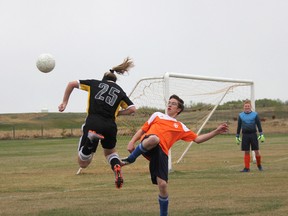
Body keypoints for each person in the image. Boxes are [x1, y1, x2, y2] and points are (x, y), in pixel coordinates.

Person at [121, 94, 228, 216]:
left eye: (173, 103)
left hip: (161, 153)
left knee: (163, 185)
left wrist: (216, 131)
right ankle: (131, 158)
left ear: (178, 110)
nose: (170, 105)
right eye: (169, 102)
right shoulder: (157, 115)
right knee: (155, 139)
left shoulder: (180, 126)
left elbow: (197, 139)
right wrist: (131, 142)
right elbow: (142, 130)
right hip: (149, 142)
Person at [58, 57, 136, 189]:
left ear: (103, 79)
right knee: (110, 153)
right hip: (110, 125)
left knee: (83, 163)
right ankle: (116, 165)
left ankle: (90, 142)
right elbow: (132, 109)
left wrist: (64, 102)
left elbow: (71, 83)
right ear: (115, 80)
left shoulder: (94, 83)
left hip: (93, 121)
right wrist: (117, 113)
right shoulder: (120, 91)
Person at [235, 99, 265, 172]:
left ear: (250, 107)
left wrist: (261, 134)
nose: (247, 107)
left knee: (256, 151)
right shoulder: (241, 115)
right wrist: (237, 136)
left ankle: (259, 165)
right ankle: (247, 168)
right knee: (246, 151)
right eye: (245, 106)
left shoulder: (255, 114)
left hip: (253, 134)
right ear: (244, 107)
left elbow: (258, 125)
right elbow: (239, 126)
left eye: (248, 106)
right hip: (245, 135)